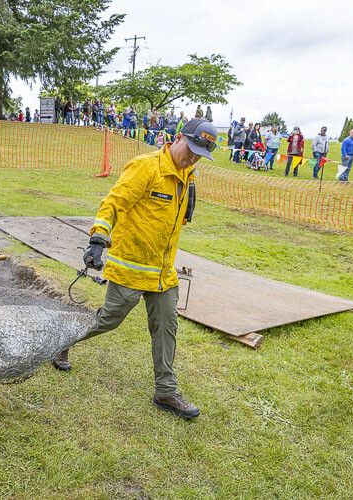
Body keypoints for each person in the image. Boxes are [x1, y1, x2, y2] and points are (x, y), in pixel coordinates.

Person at [51, 118, 218, 420]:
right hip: (131, 265)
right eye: (190, 149)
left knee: (167, 326)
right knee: (108, 320)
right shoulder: (147, 166)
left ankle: (166, 391)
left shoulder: (187, 176)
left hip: (162, 271)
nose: (192, 157)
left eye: (198, 155)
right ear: (178, 137)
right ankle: (62, 341)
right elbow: (114, 202)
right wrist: (99, 238)